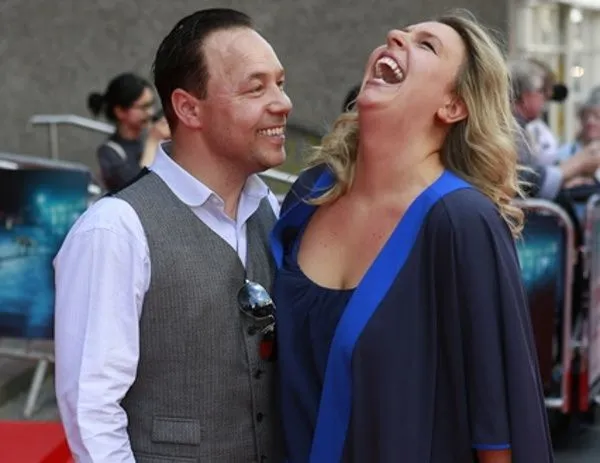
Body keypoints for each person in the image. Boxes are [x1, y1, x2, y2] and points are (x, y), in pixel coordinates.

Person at [271, 11, 553, 463]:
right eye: (403, 32)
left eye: (427, 45)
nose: (395, 36)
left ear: (453, 106)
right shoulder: (311, 194)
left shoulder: (462, 221)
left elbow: (497, 427)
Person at [54, 8, 291, 462]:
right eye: (256, 87)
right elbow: (91, 411)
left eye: (280, 82)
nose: (282, 102)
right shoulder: (115, 229)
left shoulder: (271, 210)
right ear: (187, 107)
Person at [510, 59, 600, 196]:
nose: (546, 100)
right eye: (543, 92)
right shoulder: (509, 128)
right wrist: (578, 163)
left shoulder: (518, 127)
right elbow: (521, 180)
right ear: (526, 95)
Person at [88, 73, 170, 192]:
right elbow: (137, 188)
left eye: (152, 104)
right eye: (143, 107)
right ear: (120, 111)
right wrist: (153, 141)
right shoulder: (109, 152)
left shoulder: (147, 138)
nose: (150, 112)